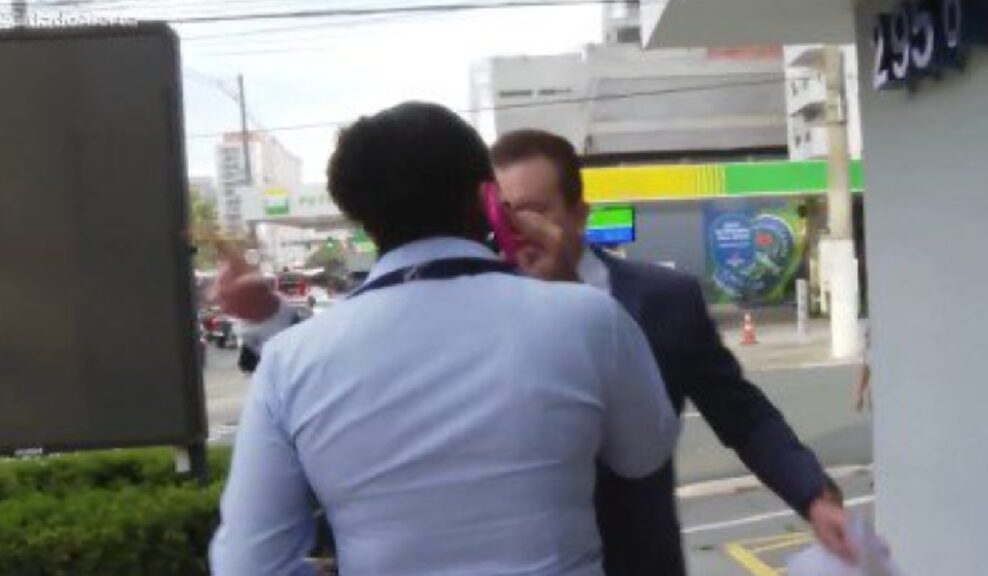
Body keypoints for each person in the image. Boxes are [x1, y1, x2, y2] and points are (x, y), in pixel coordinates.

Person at [209, 102, 679, 576]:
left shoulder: (289, 361)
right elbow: (644, 456)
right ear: (489, 198)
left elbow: (247, 565)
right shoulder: (589, 318)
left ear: (360, 217)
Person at [489, 129, 855, 575]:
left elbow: (741, 414)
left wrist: (813, 495)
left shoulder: (664, 299)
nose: (520, 228)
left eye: (536, 210)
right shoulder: (479, 309)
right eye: (507, 213)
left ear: (580, 214)